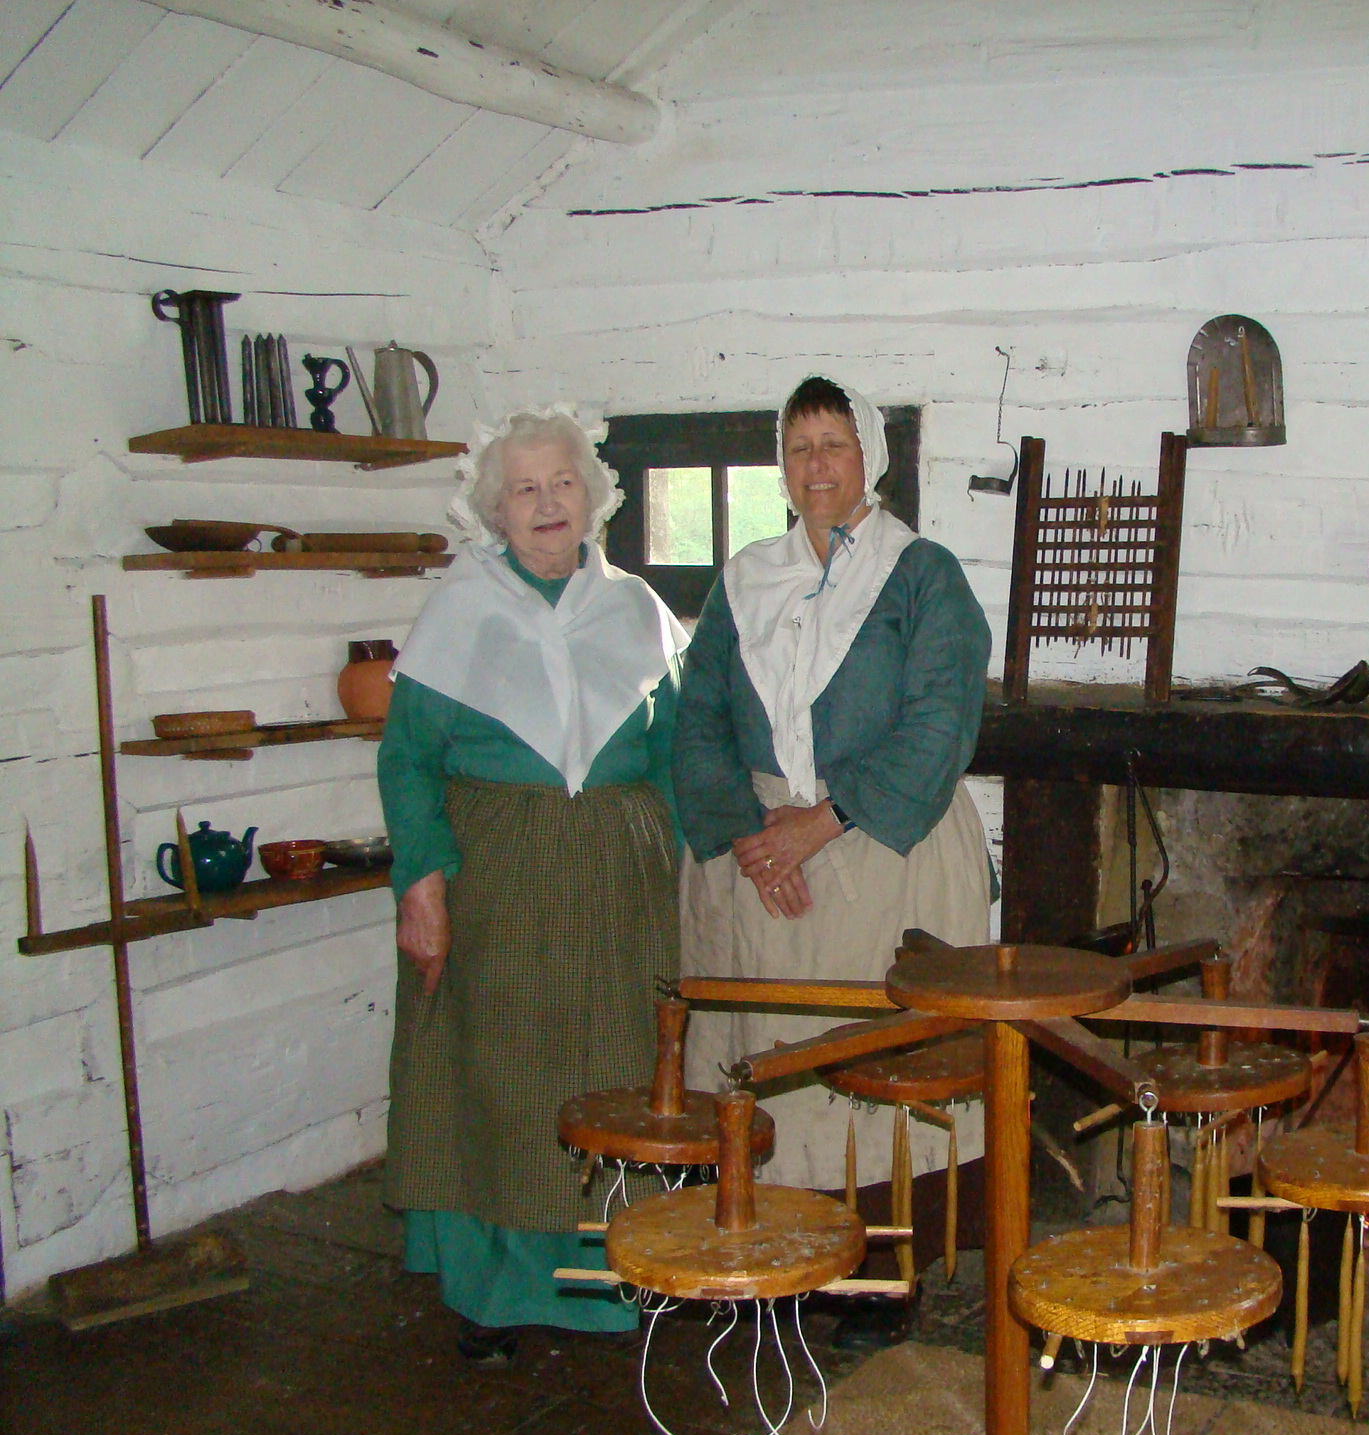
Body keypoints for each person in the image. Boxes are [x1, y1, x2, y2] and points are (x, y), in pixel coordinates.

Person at [674, 375, 993, 1337]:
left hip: (875, 845)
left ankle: (876, 1263)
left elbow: (942, 722)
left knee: (863, 1053)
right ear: (783, 464)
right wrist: (749, 836)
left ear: (872, 461)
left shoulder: (924, 576)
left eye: (836, 444)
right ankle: (766, 1242)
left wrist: (821, 824)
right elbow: (699, 719)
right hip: (758, 849)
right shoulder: (743, 580)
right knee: (762, 1053)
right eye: (800, 445)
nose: (817, 464)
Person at [379, 405, 688, 1365]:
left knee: (617, 1073)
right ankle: (494, 1292)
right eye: (526, 488)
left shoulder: (636, 607)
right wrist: (421, 882)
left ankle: (618, 1276)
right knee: (497, 1080)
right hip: (497, 885)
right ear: (496, 510)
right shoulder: (459, 610)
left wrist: (672, 858)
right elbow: (406, 760)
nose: (548, 503)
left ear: (592, 494)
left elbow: (674, 753)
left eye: (563, 483)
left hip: (617, 890)